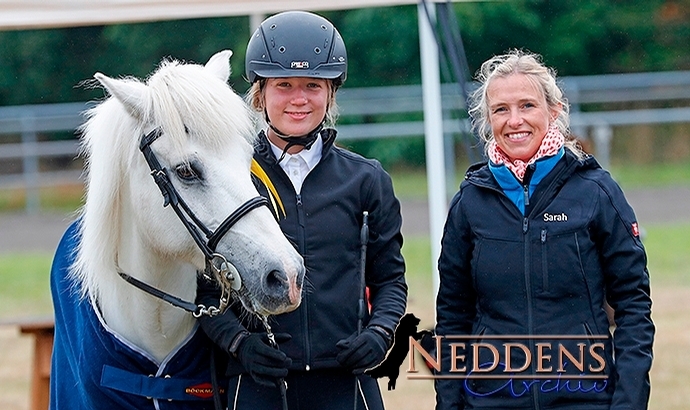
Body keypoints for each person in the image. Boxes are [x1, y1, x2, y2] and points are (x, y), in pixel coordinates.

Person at [196, 10, 407, 409]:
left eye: (312, 85)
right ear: (260, 93)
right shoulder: (230, 179)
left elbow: (390, 280)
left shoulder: (367, 180)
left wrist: (379, 334)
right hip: (258, 384)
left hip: (347, 385)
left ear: (330, 93)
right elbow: (203, 290)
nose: (298, 98)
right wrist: (240, 344)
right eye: (284, 85)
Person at [434, 50, 654, 409]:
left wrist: (628, 402)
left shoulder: (596, 192)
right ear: (487, 119)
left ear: (554, 111)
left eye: (527, 106)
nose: (514, 120)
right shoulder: (469, 202)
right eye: (501, 109)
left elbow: (633, 307)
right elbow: (453, 318)